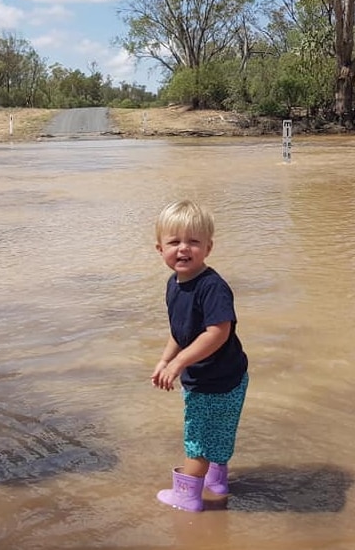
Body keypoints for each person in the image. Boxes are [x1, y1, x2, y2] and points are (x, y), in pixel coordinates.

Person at [150, 200, 249, 512]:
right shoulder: (174, 284)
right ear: (159, 248)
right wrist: (166, 359)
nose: (183, 249)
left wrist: (180, 363)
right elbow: (181, 332)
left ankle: (188, 497)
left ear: (208, 247)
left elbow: (217, 332)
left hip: (214, 380)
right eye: (174, 242)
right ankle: (216, 482)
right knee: (217, 432)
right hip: (227, 375)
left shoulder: (212, 287)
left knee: (197, 440)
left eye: (193, 242)